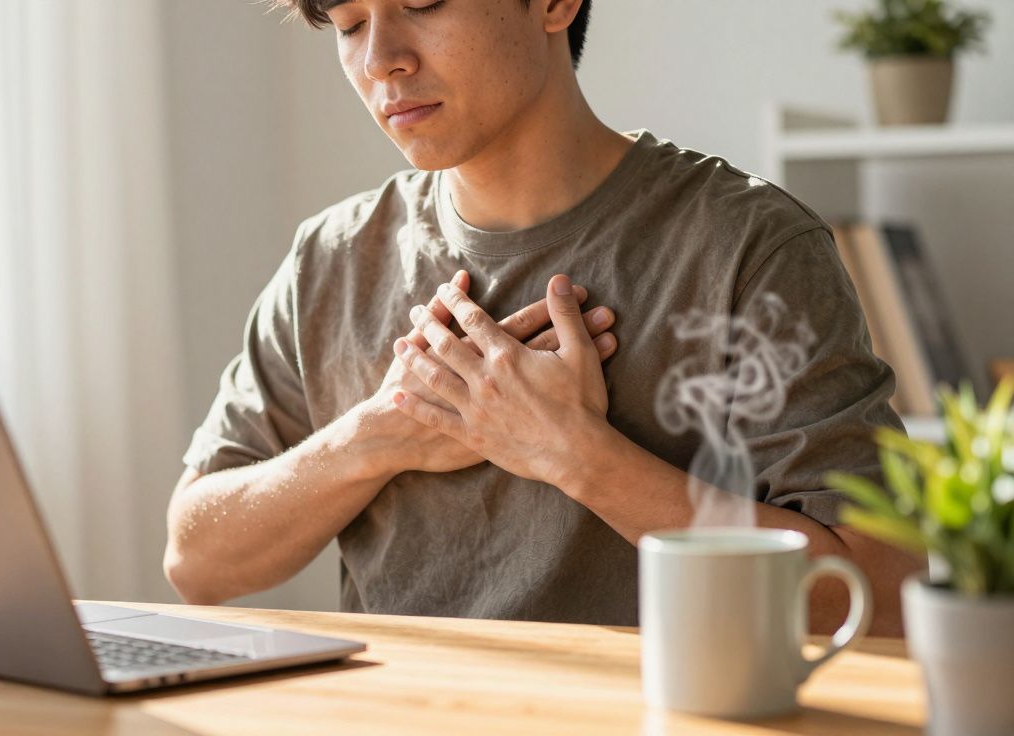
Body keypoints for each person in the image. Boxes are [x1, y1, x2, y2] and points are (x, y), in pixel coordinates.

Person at [163, 0, 923, 635]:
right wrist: (374, 437)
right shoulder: (330, 259)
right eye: (350, 22)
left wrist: (577, 455)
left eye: (422, 2)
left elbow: (882, 594)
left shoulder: (746, 245)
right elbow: (195, 560)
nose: (381, 60)